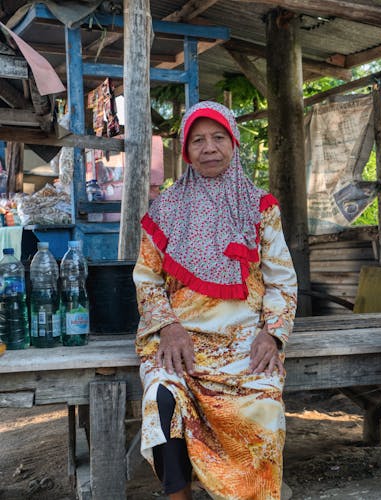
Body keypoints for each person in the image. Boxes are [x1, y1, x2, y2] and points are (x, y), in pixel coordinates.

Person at [134, 101, 297, 500]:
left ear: (234, 143)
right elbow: (147, 279)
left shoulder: (262, 208)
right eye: (198, 140)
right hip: (179, 341)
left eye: (218, 137)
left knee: (262, 410)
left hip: (245, 343)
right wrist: (169, 328)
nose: (209, 148)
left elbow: (282, 282)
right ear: (186, 151)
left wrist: (272, 336)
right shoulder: (166, 208)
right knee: (162, 396)